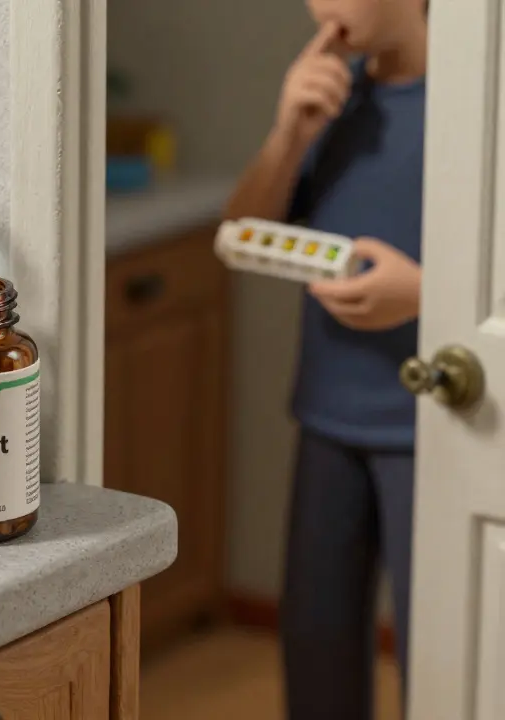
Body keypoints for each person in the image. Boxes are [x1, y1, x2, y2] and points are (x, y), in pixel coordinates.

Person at [224, 0, 428, 717]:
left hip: (432, 431)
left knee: (439, 654)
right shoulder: (331, 96)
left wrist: (425, 293)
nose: (323, 7)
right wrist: (288, 134)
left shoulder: (477, 106)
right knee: (315, 648)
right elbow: (238, 236)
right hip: (327, 419)